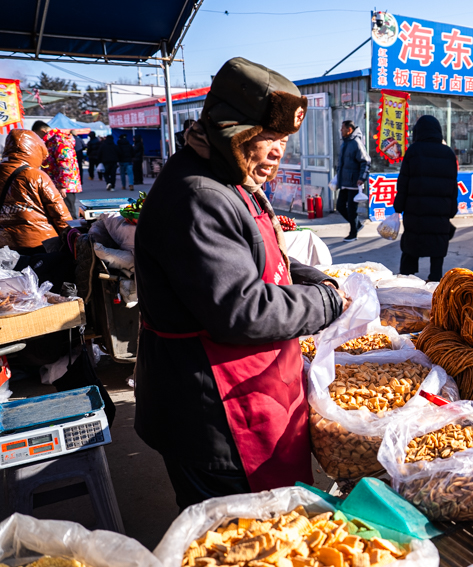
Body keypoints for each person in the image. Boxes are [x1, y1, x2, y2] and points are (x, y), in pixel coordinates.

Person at [134, 57, 349, 509]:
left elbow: (260, 262)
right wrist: (326, 302)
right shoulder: (198, 196)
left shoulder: (226, 177)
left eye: (283, 140)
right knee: (243, 541)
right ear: (230, 131)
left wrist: (317, 278)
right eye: (267, 138)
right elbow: (243, 310)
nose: (278, 152)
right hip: (218, 413)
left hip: (255, 396)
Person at [393, 115, 458, 282]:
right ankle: (435, 283)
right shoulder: (448, 153)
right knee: (437, 249)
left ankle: (405, 281)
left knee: (411, 246)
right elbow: (453, 186)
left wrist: (398, 207)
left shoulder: (413, 151)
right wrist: (451, 211)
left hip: (416, 212)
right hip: (440, 213)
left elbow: (404, 182)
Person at [0, 130, 72, 255]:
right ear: (35, 150)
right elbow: (59, 213)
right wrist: (72, 236)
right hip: (40, 243)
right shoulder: (36, 175)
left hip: (4, 245)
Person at [31, 121, 82, 219]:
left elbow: (66, 163)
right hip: (58, 184)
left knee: (68, 214)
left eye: (38, 135)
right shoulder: (51, 140)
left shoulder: (59, 139)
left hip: (63, 185)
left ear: (43, 131)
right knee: (61, 214)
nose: (38, 138)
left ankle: (74, 233)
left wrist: (63, 185)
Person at [335, 120, 370, 242]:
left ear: (349, 129)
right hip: (345, 182)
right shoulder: (345, 143)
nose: (341, 130)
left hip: (354, 183)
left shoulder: (356, 143)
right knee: (340, 206)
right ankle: (357, 225)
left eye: (342, 128)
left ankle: (353, 233)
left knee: (351, 209)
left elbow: (366, 161)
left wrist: (361, 178)